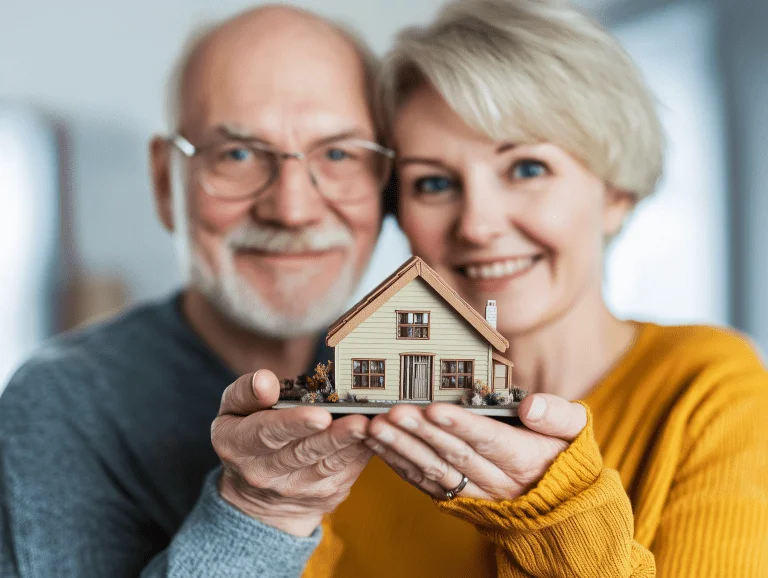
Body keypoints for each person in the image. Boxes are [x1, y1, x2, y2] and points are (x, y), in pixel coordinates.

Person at [342, 0, 766, 576]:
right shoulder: (369, 426)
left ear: (615, 192)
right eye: (435, 182)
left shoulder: (712, 392)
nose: (478, 225)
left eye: (527, 169)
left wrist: (550, 515)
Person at [0, 5, 395, 576]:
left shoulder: (416, 371)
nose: (291, 208)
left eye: (337, 154)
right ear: (166, 181)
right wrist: (256, 516)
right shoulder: (60, 407)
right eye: (237, 154)